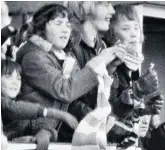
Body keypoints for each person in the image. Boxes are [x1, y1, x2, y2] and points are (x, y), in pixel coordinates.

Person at [15, 4, 125, 142]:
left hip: (45, 134)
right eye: (58, 23)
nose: (65, 30)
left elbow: (81, 96)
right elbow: (65, 91)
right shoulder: (33, 57)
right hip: (24, 137)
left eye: (67, 25)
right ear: (42, 28)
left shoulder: (65, 57)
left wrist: (109, 69)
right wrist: (99, 60)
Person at [1, 59, 79, 150]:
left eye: (18, 78)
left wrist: (45, 132)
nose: (15, 82)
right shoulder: (5, 104)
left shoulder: (21, 103)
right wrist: (58, 114)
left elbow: (37, 124)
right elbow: (12, 108)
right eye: (8, 77)